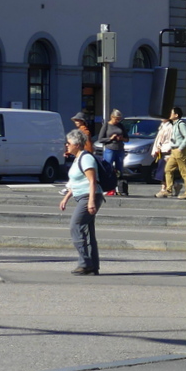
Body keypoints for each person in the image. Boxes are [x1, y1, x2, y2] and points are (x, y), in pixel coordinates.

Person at [59, 130, 101, 275]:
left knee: (75, 226)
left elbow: (92, 181)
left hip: (89, 196)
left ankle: (85, 263)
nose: (66, 145)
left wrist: (91, 202)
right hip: (82, 196)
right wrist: (66, 198)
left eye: (69, 143)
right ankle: (92, 266)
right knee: (88, 231)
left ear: (77, 144)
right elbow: (77, 181)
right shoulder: (78, 158)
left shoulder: (86, 159)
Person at [97, 109, 128, 196]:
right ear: (112, 117)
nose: (117, 121)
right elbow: (100, 139)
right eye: (116, 119)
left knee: (119, 170)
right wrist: (110, 138)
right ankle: (107, 188)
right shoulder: (106, 125)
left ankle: (119, 188)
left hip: (120, 149)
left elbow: (127, 138)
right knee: (108, 168)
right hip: (110, 149)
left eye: (119, 119)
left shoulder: (121, 125)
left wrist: (121, 138)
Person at [163, 106, 186, 200]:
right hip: (174, 151)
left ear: (176, 115)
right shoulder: (174, 124)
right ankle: (168, 190)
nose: (169, 115)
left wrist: (180, 148)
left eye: (171, 113)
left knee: (185, 172)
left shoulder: (181, 124)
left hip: (180, 151)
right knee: (168, 169)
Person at [152, 115, 176, 196]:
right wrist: (155, 149)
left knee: (165, 170)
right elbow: (158, 139)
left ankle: (164, 188)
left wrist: (169, 150)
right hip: (161, 150)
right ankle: (173, 186)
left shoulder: (170, 127)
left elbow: (171, 140)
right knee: (163, 170)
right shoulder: (162, 125)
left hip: (167, 151)